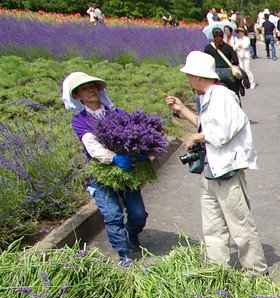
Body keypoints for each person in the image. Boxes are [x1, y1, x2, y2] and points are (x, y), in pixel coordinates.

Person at [166, 51, 267, 274]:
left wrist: (197, 137)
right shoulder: (207, 98)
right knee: (212, 226)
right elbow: (205, 126)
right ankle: (217, 271)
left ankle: (256, 271)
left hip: (227, 171)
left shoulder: (223, 96)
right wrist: (182, 109)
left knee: (240, 225)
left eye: (189, 75)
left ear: (199, 76)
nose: (188, 79)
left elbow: (223, 132)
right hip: (211, 171)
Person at [64, 72, 147, 268]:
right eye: (85, 88)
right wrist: (113, 157)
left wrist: (141, 151)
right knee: (112, 214)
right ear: (77, 96)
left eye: (93, 86)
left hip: (126, 171)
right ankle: (123, 253)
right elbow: (91, 146)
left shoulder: (117, 114)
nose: (91, 90)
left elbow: (135, 135)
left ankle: (132, 234)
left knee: (138, 214)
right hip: (101, 172)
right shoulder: (79, 121)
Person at [204, 27, 244, 100]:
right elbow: (235, 61)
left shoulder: (208, 48)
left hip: (215, 74)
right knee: (234, 95)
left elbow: (205, 62)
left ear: (213, 36)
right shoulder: (228, 47)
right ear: (223, 36)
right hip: (228, 73)